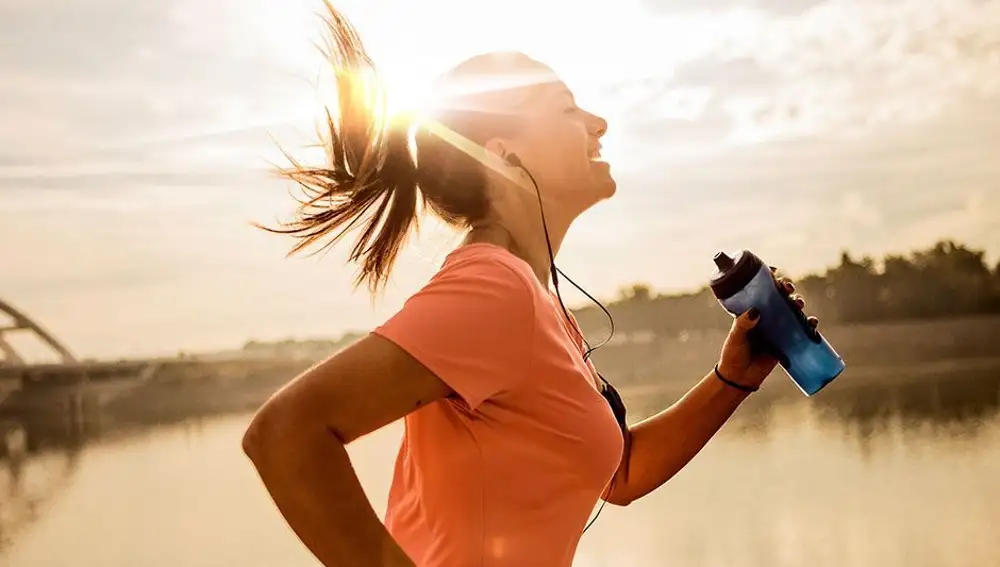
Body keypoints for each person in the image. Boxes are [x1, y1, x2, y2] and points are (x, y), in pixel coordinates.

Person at [241, 6, 817, 567]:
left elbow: (620, 474)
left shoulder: (537, 302)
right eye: (567, 108)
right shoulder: (494, 290)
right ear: (504, 154)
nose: (598, 123)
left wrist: (732, 380)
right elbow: (285, 434)